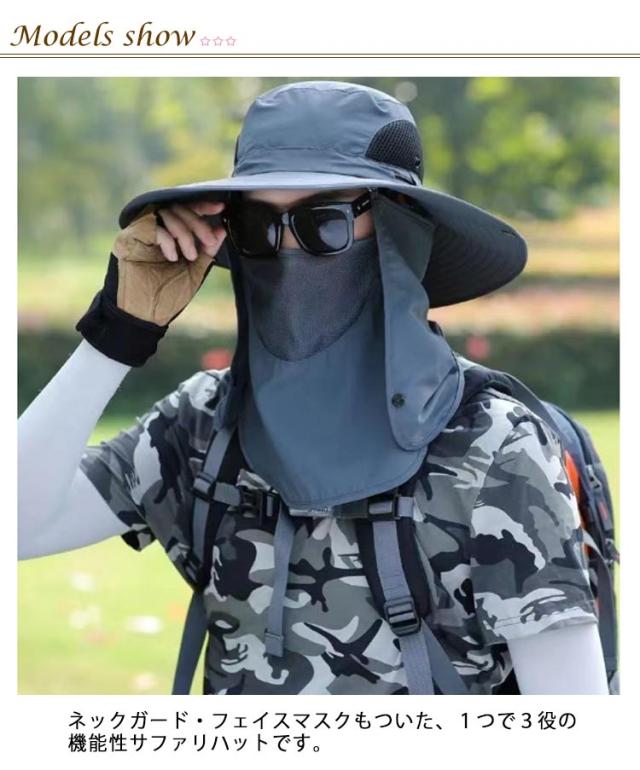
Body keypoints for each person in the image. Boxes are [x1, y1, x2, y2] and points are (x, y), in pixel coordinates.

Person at [18, 80, 609, 695]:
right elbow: (20, 525)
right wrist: (118, 332)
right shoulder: (204, 425)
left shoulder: (493, 447)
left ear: (398, 233)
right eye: (257, 225)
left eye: (322, 222)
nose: (287, 252)